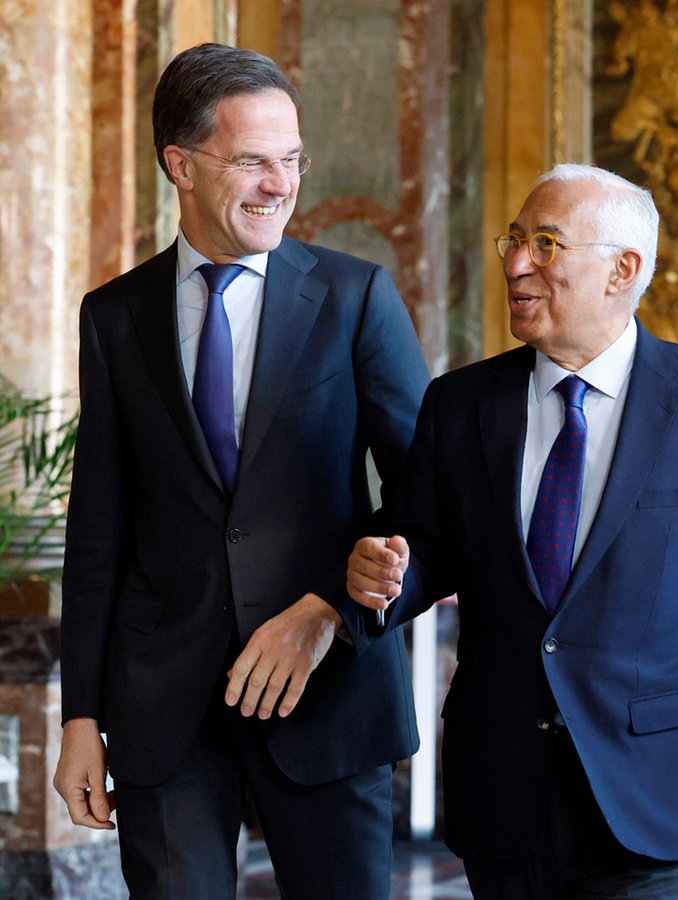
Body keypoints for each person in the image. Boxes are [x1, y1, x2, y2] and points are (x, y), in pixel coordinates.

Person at [347, 163, 678, 898]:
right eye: (515, 239)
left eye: (546, 244)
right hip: (503, 787)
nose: (515, 264)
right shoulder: (460, 404)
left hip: (651, 790)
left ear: (622, 270)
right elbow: (428, 545)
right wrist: (383, 577)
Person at [52, 42, 429, 899]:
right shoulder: (114, 318)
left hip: (329, 694)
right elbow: (98, 527)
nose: (280, 183)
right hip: (163, 714)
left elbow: (428, 492)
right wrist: (80, 719)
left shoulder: (355, 297)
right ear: (179, 164)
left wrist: (330, 609)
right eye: (252, 160)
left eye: (291, 159)